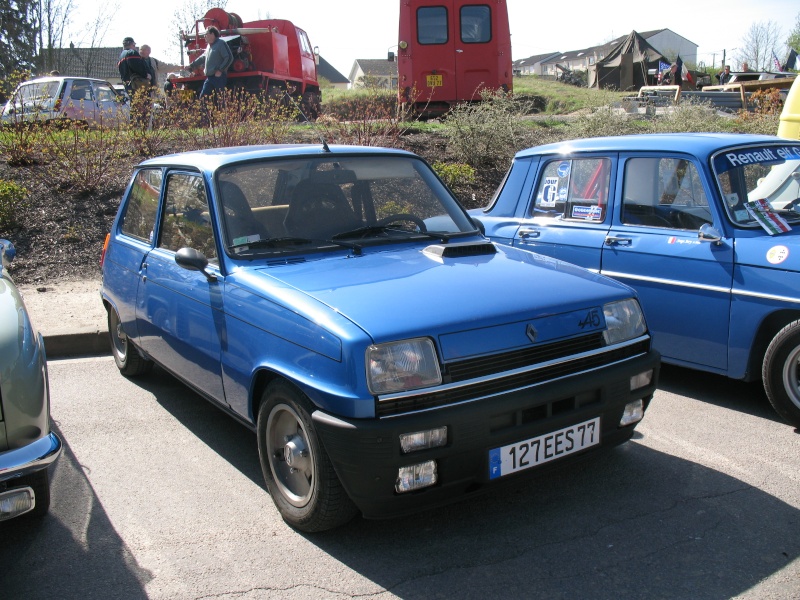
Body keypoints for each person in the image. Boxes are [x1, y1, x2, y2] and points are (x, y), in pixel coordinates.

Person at [188, 26, 234, 99]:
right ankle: (203, 110)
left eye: (206, 34)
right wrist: (192, 65)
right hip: (209, 77)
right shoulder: (209, 46)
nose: (204, 37)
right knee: (203, 98)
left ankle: (223, 110)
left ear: (212, 34)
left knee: (220, 99)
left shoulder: (220, 43)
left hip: (219, 77)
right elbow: (203, 57)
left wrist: (220, 70)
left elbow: (229, 57)